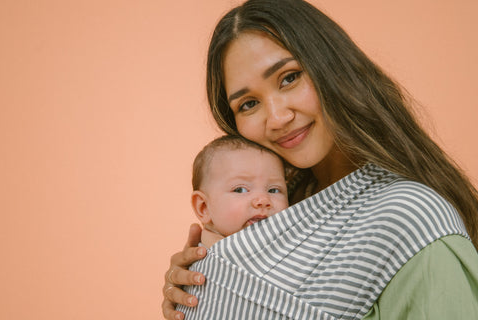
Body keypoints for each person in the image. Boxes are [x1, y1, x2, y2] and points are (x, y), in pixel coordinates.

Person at [163, 0, 478, 319]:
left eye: (289, 78)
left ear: (332, 67)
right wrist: (209, 279)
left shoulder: (410, 221)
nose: (277, 118)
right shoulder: (275, 212)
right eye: (248, 104)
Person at [189, 135, 289, 248]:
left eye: (274, 190)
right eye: (240, 190)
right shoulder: (216, 258)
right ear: (204, 207)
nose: (263, 200)